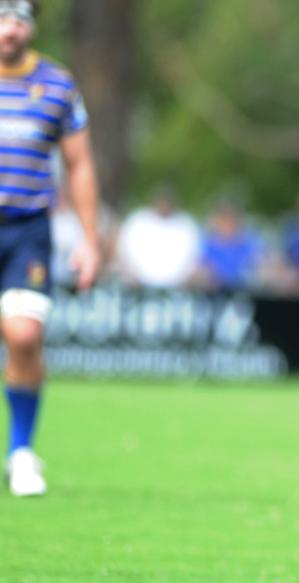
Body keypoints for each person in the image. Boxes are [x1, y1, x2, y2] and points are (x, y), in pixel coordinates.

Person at [0, 0, 101, 497]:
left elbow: (79, 164)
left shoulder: (57, 85)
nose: (8, 28)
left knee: (22, 337)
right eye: (1, 17)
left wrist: (89, 238)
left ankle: (20, 451)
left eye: (18, 18)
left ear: (32, 25)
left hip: (27, 230)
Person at [117, 185, 199, 289]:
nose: (164, 204)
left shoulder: (186, 224)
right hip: (139, 287)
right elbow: (124, 252)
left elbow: (193, 259)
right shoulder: (138, 221)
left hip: (178, 289)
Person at [197, 197, 266, 291]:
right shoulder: (205, 244)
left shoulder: (250, 243)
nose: (228, 223)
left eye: (231, 218)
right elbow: (199, 269)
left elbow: (260, 266)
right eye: (223, 218)